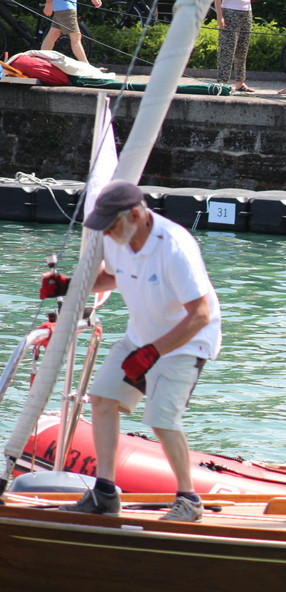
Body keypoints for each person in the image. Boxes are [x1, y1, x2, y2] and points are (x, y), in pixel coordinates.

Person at [39, 181, 222, 522]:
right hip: (142, 337)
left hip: (186, 340)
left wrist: (153, 352)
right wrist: (68, 284)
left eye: (110, 225)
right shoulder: (116, 238)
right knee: (103, 399)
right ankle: (105, 494)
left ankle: (189, 500)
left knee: (161, 418)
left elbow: (200, 315)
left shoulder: (174, 247)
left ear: (136, 215)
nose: (105, 233)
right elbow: (112, 277)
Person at [41, 0, 101, 65]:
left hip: (62, 7)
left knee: (53, 34)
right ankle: (87, 66)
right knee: (76, 37)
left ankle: (40, 60)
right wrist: (49, 3)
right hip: (66, 8)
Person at [215, 0, 254, 93]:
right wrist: (220, 16)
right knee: (227, 49)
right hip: (230, 10)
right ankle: (222, 83)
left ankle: (240, 83)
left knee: (242, 49)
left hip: (247, 11)